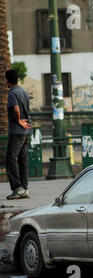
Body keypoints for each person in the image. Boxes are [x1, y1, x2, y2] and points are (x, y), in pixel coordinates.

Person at [5, 69, 32, 200]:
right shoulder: (24, 92)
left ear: (7, 80)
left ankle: (17, 188)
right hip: (27, 131)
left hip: (17, 131)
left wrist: (18, 121)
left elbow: (15, 109)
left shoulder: (12, 93)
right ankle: (25, 188)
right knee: (23, 159)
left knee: (10, 159)